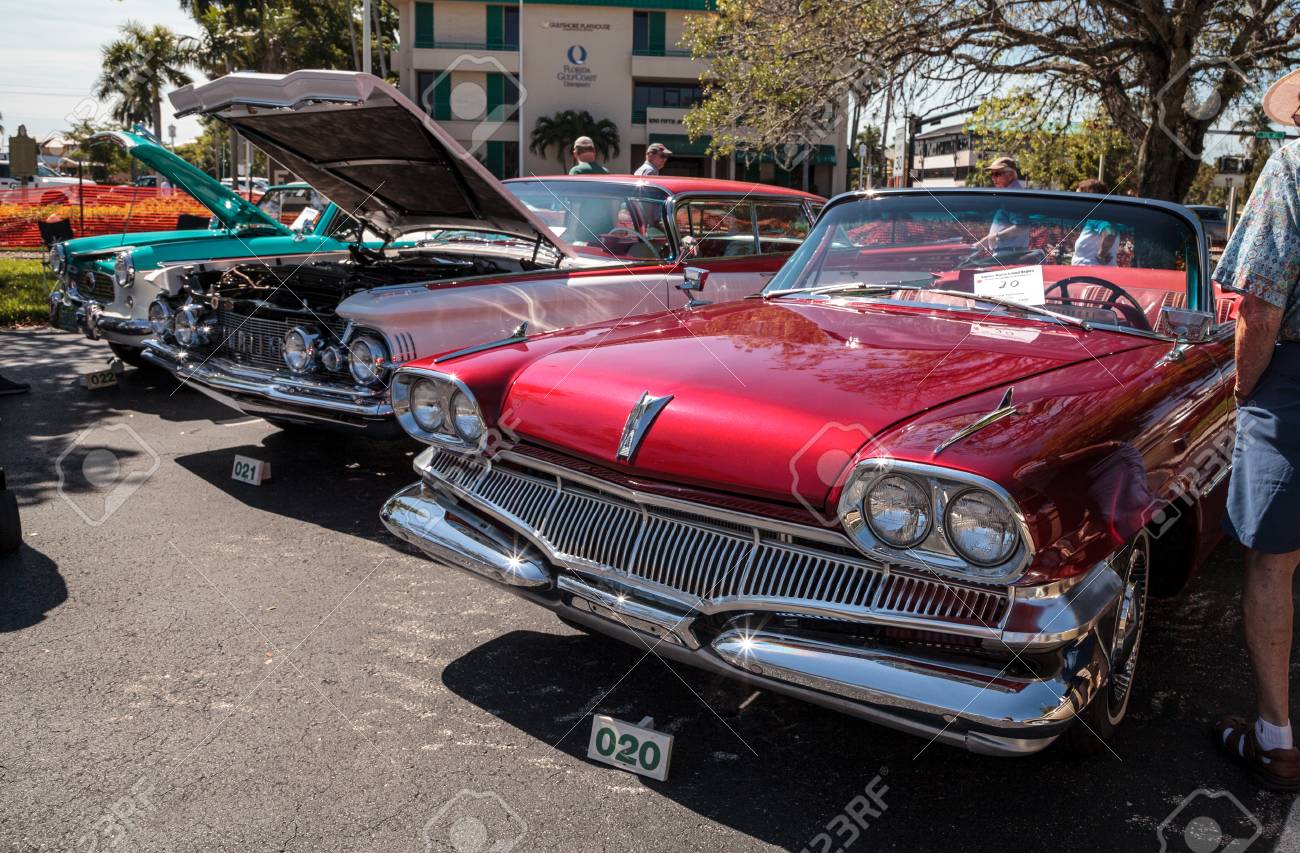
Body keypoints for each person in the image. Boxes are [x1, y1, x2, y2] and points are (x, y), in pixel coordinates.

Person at [1212, 69, 1300, 792]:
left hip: (1295, 378)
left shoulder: (1293, 163)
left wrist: (1244, 390)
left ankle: (1276, 738)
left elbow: (1261, 308)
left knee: (1274, 559)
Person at [972, 156, 1029, 256]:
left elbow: (1023, 226)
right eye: (992, 174)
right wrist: (980, 244)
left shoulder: (1013, 196)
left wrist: (997, 236)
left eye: (997, 174)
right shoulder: (1011, 193)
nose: (993, 178)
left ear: (1010, 175)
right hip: (1009, 254)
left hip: (1009, 256)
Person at [1071, 178, 1118, 266]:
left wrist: (1101, 255)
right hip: (1093, 275)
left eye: (1078, 197)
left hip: (1090, 275)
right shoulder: (1102, 216)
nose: (1076, 201)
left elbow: (1110, 233)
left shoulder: (1097, 217)